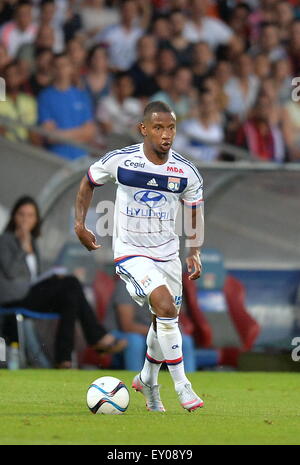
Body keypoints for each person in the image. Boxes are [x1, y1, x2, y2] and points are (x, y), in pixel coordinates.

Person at [74, 100, 205, 412]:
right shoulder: (122, 161)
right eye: (158, 127)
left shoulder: (186, 172)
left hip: (168, 255)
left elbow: (195, 211)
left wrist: (195, 251)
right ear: (144, 129)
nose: (165, 134)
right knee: (163, 307)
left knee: (164, 319)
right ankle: (182, 385)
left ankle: (147, 378)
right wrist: (80, 225)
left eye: (171, 127)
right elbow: (88, 182)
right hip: (131, 253)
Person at [0, 196, 127, 368]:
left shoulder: (32, 242)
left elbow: (33, 275)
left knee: (70, 293)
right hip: (16, 298)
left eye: (30, 216)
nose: (25, 220)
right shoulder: (6, 240)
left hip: (32, 294)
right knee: (72, 285)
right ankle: (95, 339)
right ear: (14, 217)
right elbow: (12, 271)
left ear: (36, 219)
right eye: (21, 215)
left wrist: (52, 277)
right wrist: (23, 245)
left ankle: (64, 359)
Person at [105, 277, 197, 372]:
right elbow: (127, 326)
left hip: (151, 331)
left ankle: (188, 383)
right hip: (120, 334)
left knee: (184, 341)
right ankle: (137, 382)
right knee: (136, 341)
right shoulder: (127, 284)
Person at [37, 52, 96, 160]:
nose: (61, 70)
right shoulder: (45, 96)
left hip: (81, 159)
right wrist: (80, 133)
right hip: (56, 159)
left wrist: (61, 135)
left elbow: (90, 133)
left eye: (65, 65)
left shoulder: (81, 95)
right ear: (52, 69)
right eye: (57, 66)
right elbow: (50, 136)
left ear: (71, 68)